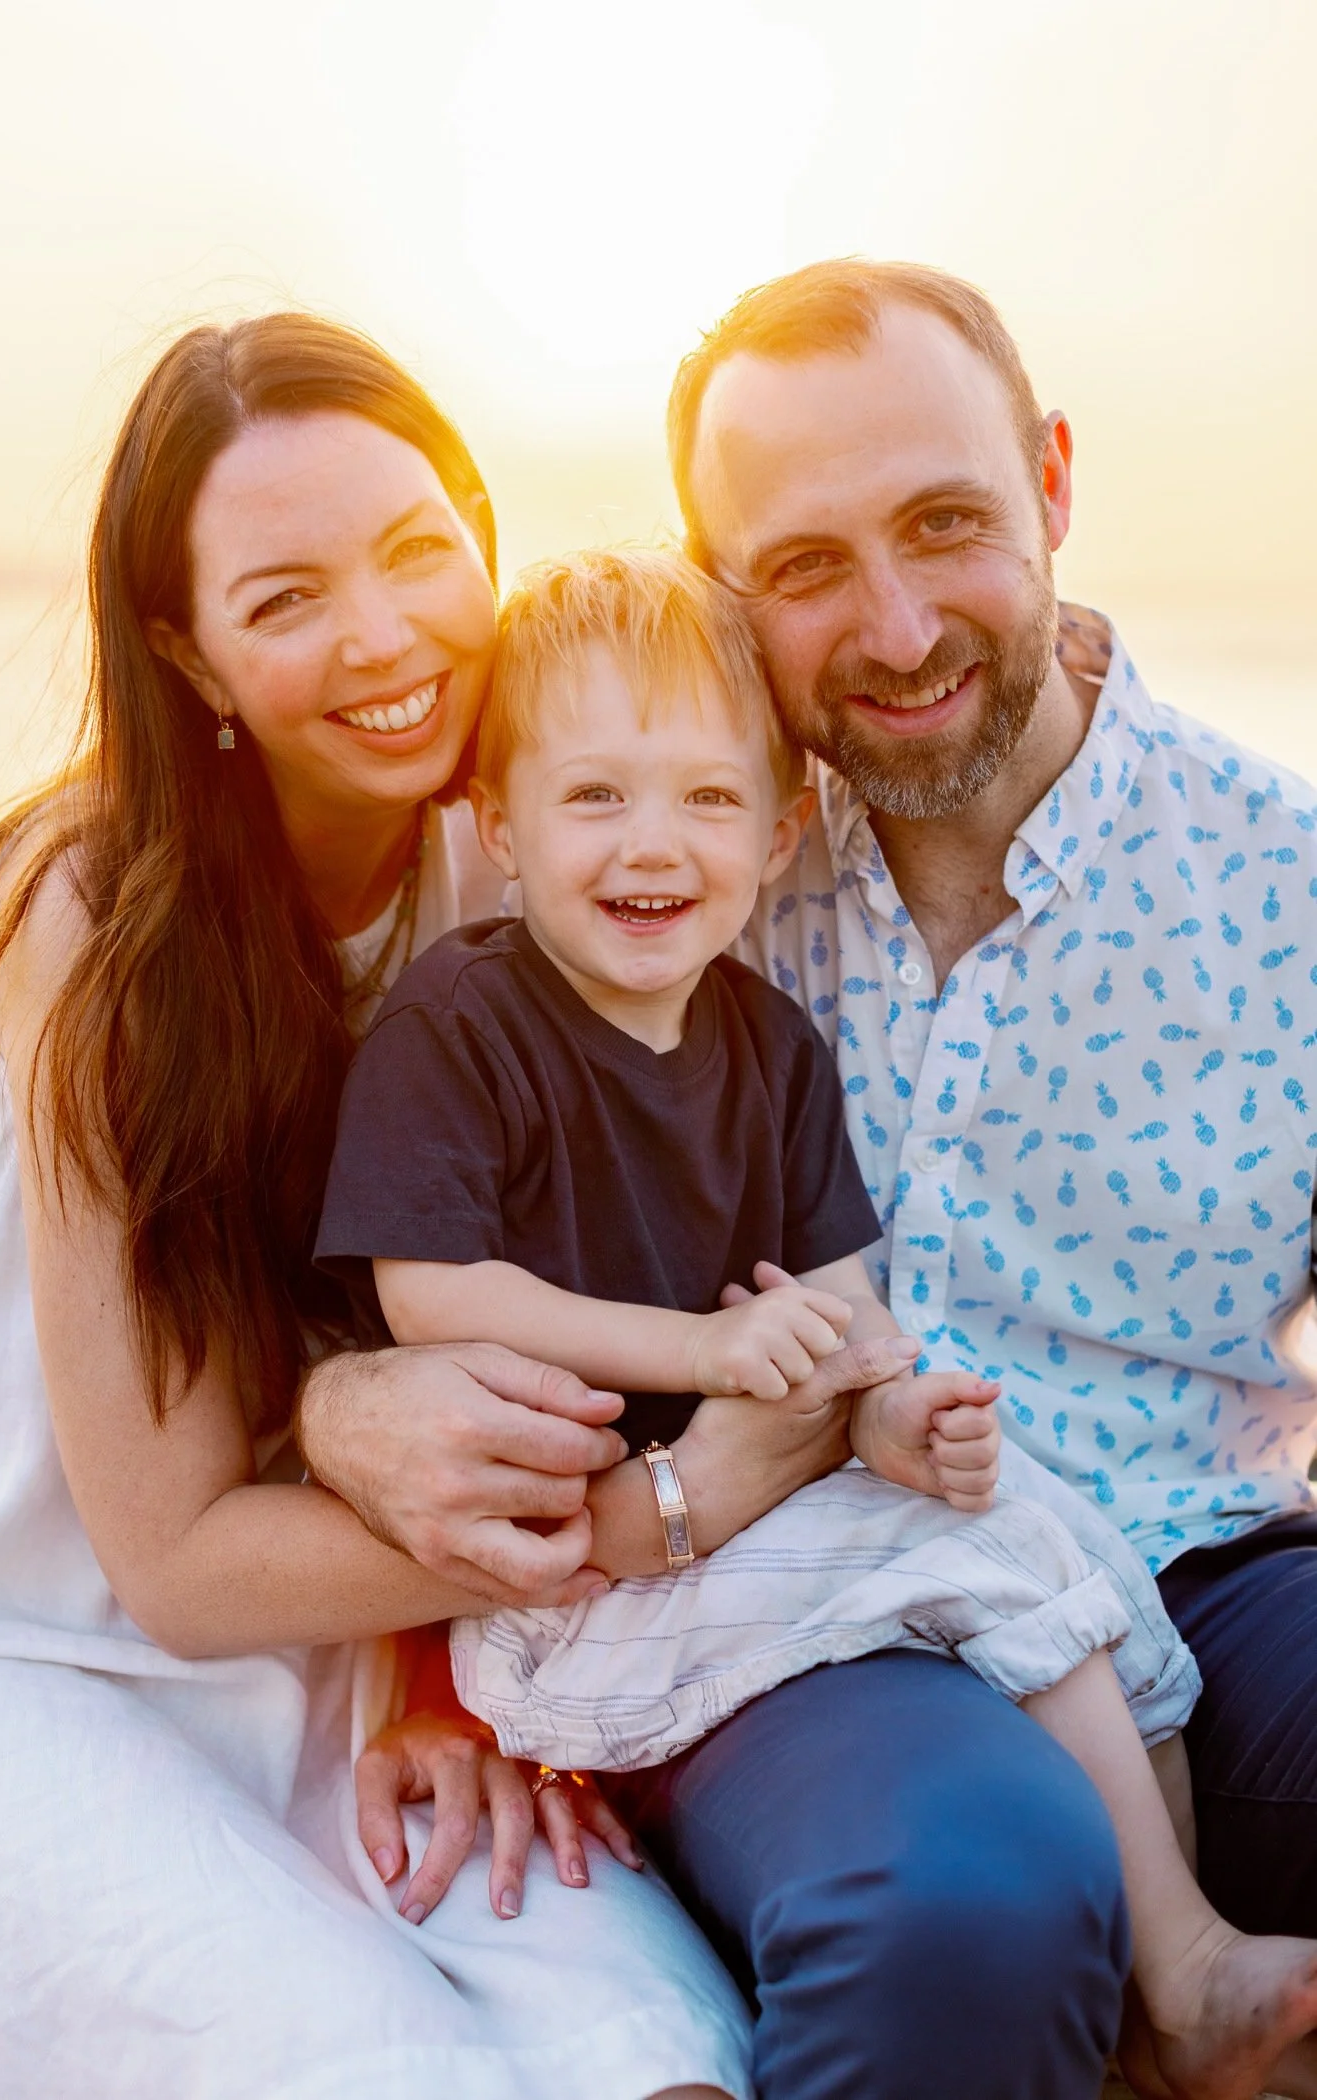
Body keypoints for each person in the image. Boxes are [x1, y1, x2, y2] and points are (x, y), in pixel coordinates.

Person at [0, 314, 767, 2100]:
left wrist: (438, 1680)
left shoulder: (519, 846)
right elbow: (174, 1566)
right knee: (385, 2070)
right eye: (287, 599)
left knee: (657, 2053)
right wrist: (656, 1514)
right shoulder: (87, 912)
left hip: (345, 1646)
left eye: (418, 550)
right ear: (188, 652)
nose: (384, 636)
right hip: (15, 1652)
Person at [317, 542, 1317, 2100]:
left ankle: (1166, 1969)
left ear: (781, 830)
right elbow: (431, 1297)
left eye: (709, 799)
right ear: (497, 823)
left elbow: (846, 1308)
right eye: (595, 797)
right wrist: (703, 1356)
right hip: (567, 1609)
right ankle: (1176, 1975)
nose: (653, 843)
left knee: (1030, 1533)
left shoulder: (768, 1044)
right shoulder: (462, 1021)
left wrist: (892, 1413)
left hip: (746, 1550)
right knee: (990, 1570)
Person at [573, 255, 1317, 2099]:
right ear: (719, 590)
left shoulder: (1288, 885)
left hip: (1205, 1575)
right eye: (807, 566)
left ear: (1052, 482)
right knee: (967, 1907)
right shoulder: (661, 883)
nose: (898, 629)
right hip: (799, 1619)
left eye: (946, 523)